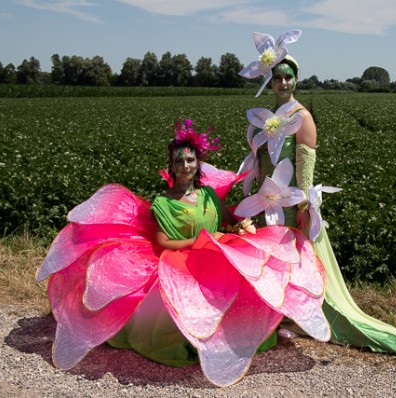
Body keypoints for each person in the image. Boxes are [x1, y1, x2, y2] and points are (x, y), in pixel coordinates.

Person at [36, 118, 330, 387]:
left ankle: (249, 333)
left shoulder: (209, 195)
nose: (186, 165)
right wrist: (199, 241)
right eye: (180, 161)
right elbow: (163, 242)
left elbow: (228, 220)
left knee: (266, 262)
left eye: (191, 160)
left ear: (198, 163)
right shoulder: (163, 203)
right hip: (182, 261)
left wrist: (240, 228)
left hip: (216, 255)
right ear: (172, 165)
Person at [238, 32, 396, 356]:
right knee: (270, 262)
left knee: (291, 261)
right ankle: (276, 317)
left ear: (296, 80)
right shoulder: (265, 117)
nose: (283, 82)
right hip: (265, 202)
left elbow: (305, 168)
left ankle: (294, 318)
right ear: (270, 81)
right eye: (277, 77)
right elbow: (259, 162)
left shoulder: (302, 118)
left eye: (288, 77)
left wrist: (303, 205)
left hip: (288, 204)